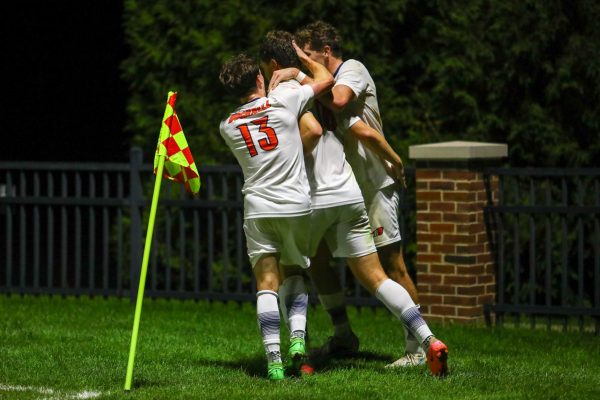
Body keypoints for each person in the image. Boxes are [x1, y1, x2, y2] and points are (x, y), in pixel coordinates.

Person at [263, 33, 448, 377]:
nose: (305, 61)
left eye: (310, 55)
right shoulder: (318, 89)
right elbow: (339, 109)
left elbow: (344, 124)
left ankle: (298, 352)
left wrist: (395, 161)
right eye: (299, 56)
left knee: (385, 267)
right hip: (350, 191)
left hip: (362, 188)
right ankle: (364, 336)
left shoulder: (343, 76)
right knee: (329, 263)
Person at [218, 46, 333, 380]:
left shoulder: (227, 126)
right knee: (295, 271)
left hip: (257, 208)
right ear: (258, 78)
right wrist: (296, 71)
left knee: (266, 283)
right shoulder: (285, 101)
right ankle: (298, 341)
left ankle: (274, 362)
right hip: (295, 204)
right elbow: (324, 80)